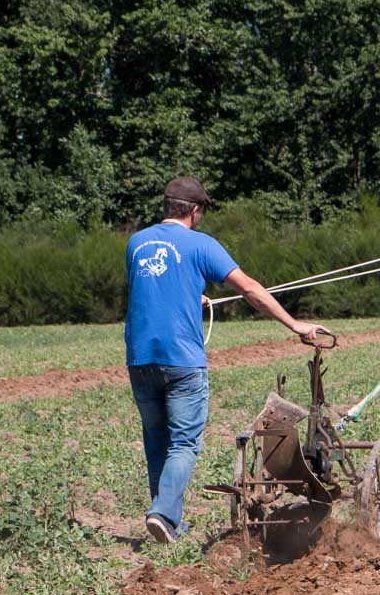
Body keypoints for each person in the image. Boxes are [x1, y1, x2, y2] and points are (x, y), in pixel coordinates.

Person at [125, 176, 328, 543]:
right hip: (182, 359)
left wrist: (193, 296)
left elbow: (154, 288)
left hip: (139, 359)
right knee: (183, 443)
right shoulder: (203, 244)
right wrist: (295, 324)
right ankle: (162, 512)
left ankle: (168, 521)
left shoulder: (136, 243)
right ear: (194, 210)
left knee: (156, 441)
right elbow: (249, 288)